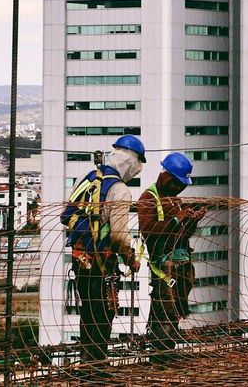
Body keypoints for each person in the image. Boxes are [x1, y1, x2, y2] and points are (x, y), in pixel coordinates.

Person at [63, 135, 144, 369]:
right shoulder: (119, 190)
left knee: (88, 316)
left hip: (81, 261)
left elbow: (68, 213)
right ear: (131, 164)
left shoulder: (87, 178)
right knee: (102, 317)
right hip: (102, 264)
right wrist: (131, 259)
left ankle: (87, 365)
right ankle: (96, 369)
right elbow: (119, 236)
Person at [137, 152, 205, 361]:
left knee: (174, 308)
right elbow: (148, 230)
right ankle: (160, 354)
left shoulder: (174, 200)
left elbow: (181, 235)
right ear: (166, 176)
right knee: (163, 307)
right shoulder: (149, 198)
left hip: (179, 264)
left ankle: (167, 349)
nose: (179, 188)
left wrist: (192, 220)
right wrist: (177, 219)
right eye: (176, 183)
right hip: (163, 266)